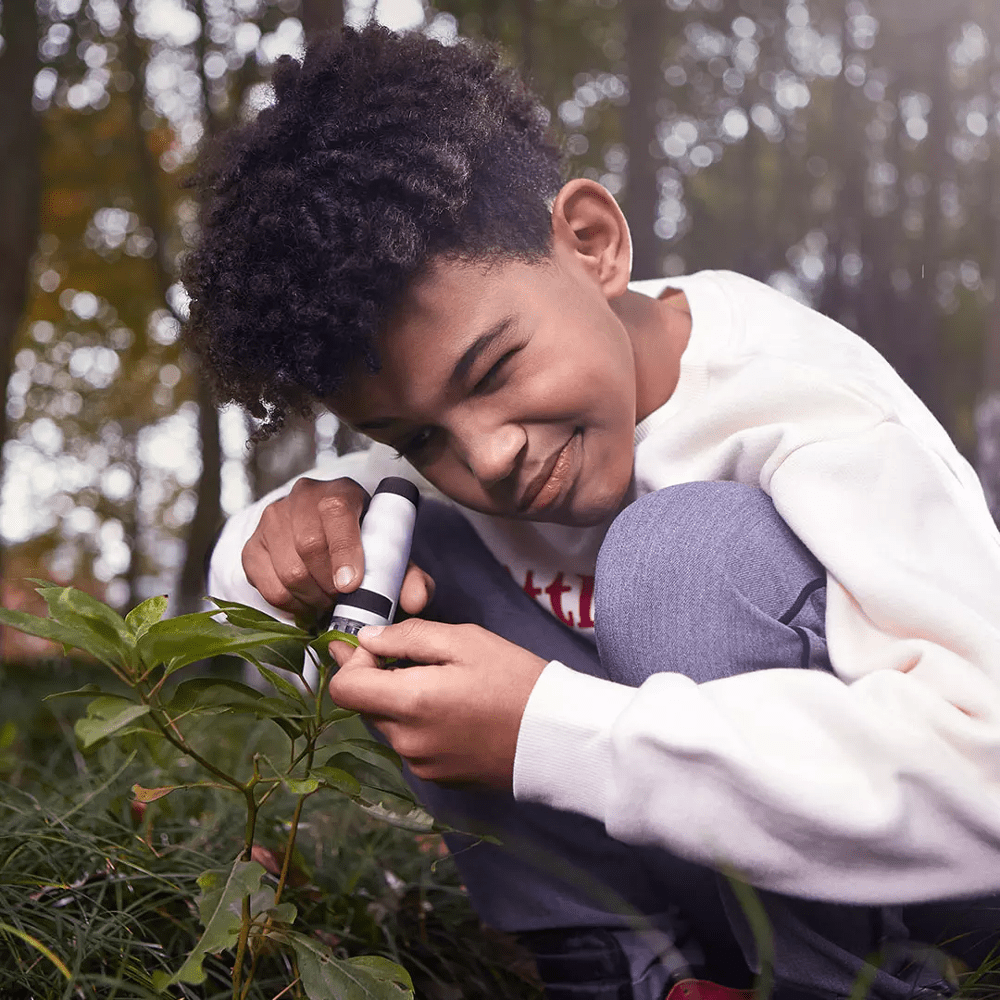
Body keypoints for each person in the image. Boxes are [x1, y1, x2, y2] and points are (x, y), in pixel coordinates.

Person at [184, 22, 1000, 1000]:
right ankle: (631, 968)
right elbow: (304, 571)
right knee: (396, 563)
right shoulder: (450, 460)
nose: (487, 455)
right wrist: (269, 547)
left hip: (926, 883)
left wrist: (555, 730)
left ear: (590, 244)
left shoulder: (811, 416)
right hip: (699, 874)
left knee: (681, 561)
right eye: (417, 437)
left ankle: (843, 980)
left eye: (493, 369)